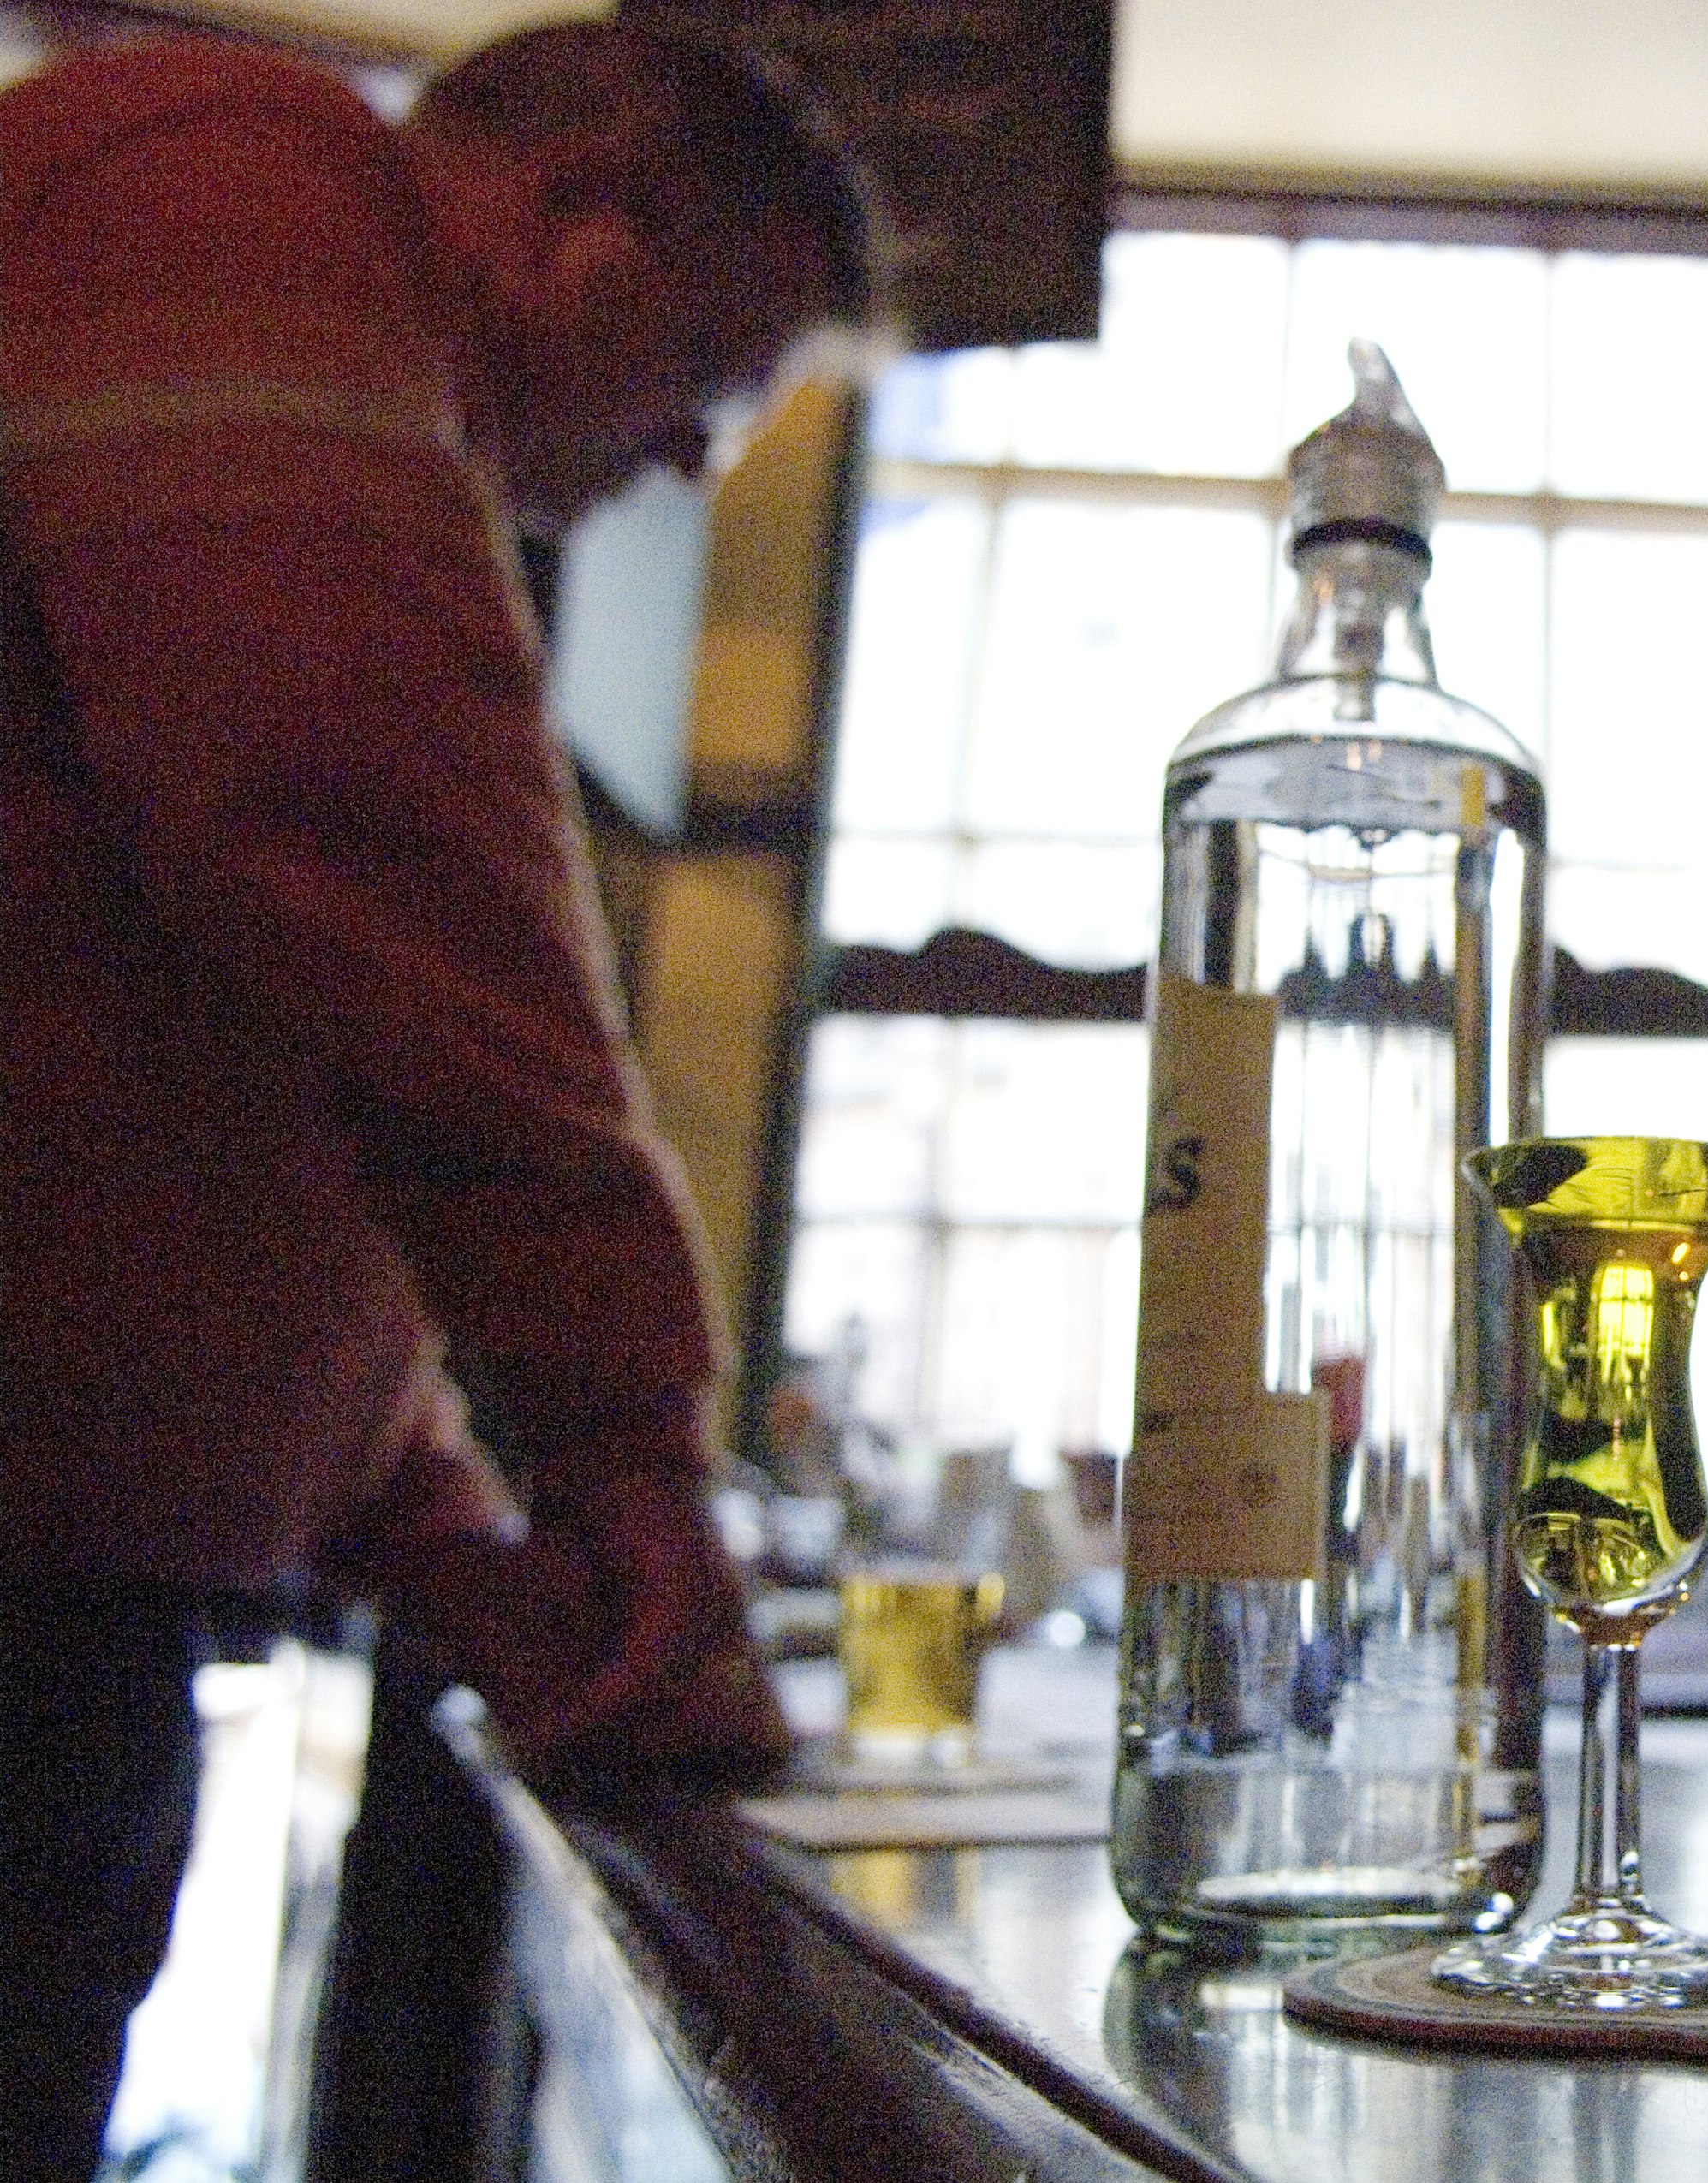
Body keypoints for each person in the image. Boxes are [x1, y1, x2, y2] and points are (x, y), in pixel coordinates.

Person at [0, 21, 878, 2177]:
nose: (687, 461)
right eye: (721, 370)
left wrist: (418, 1511)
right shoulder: (235, 159)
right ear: (591, 221)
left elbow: (195, 1019)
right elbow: (348, 837)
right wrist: (628, 1451)